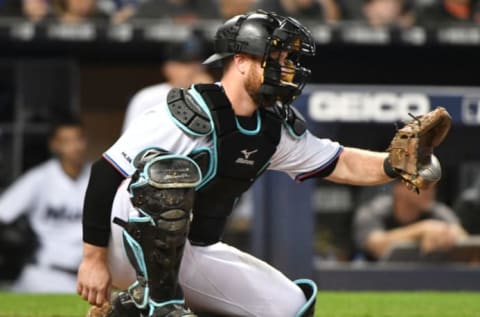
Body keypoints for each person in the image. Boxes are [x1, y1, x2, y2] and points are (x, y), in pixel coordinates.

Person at [77, 10, 443, 317]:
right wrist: (93, 260)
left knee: (289, 307)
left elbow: (340, 162)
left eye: (287, 60)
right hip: (124, 241)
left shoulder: (271, 128)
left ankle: (130, 310)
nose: (285, 68)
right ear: (240, 61)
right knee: (169, 176)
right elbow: (105, 172)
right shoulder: (187, 112)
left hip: (188, 250)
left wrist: (395, 165)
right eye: (276, 57)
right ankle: (155, 303)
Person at [0, 118, 90, 292]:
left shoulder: (98, 178)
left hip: (86, 276)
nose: (75, 146)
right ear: (55, 145)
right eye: (67, 141)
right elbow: (3, 213)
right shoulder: (40, 178)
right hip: (44, 273)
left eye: (79, 139)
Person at [122, 31, 213, 131]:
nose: (193, 69)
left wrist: (208, 94)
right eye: (184, 64)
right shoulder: (147, 98)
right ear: (168, 68)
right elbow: (131, 139)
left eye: (197, 63)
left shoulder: (213, 93)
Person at [353, 181, 468, 260]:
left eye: (433, 186)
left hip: (427, 282)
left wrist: (447, 233)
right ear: (399, 188)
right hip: (376, 285)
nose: (430, 191)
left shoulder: (437, 211)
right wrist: (422, 230)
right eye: (423, 185)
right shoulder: (373, 211)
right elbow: (377, 246)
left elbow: (464, 239)